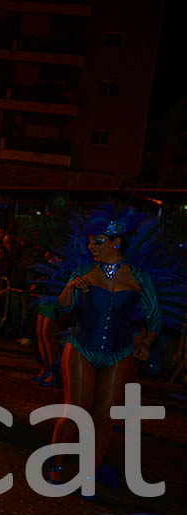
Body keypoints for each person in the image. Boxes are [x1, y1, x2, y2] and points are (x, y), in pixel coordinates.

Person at [45, 206, 186, 487]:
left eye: (98, 241)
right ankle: (56, 463)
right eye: (90, 241)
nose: (91, 246)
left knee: (104, 415)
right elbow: (60, 310)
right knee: (77, 409)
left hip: (119, 353)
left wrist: (146, 342)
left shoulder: (139, 278)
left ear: (116, 242)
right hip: (82, 347)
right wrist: (70, 287)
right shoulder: (83, 272)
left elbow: (155, 318)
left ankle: (89, 474)